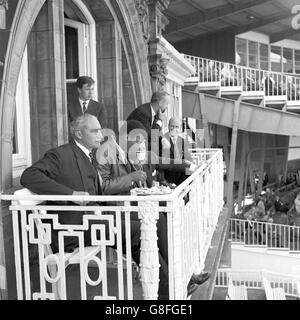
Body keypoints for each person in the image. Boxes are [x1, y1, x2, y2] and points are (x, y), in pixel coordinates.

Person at [96, 120, 210, 299]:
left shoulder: (137, 153)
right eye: (138, 140)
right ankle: (175, 284)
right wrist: (131, 177)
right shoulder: (107, 151)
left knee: (164, 221)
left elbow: (167, 162)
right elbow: (102, 187)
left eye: (143, 141)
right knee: (157, 225)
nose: (141, 145)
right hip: (117, 211)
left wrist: (190, 165)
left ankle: (181, 278)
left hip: (135, 207)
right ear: (126, 138)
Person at [20, 114, 105, 253]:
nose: (101, 136)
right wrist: (71, 194)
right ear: (79, 134)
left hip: (94, 220)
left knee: (142, 224)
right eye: (95, 131)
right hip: (74, 230)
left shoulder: (88, 155)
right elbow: (29, 176)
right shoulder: (60, 155)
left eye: (100, 131)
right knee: (139, 231)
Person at [160, 117, 195, 186]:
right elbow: (160, 161)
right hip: (168, 174)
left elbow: (188, 156)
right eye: (172, 126)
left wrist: (193, 165)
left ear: (180, 128)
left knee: (192, 171)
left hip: (180, 172)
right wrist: (162, 179)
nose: (174, 129)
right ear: (168, 126)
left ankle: (186, 194)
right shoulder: (162, 139)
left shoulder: (182, 140)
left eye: (177, 127)